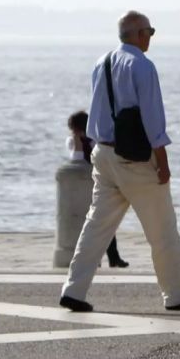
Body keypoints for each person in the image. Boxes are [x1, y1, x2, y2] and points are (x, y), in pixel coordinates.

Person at [59, 11, 180, 312]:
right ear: (139, 34)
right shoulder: (142, 66)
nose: (150, 37)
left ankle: (73, 290)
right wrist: (163, 162)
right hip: (135, 160)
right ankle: (177, 295)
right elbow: (153, 120)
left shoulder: (100, 63)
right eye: (150, 32)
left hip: (103, 153)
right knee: (163, 230)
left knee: (96, 226)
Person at [66, 111, 128, 268]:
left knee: (105, 222)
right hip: (83, 187)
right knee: (91, 225)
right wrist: (78, 142)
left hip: (99, 183)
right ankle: (96, 259)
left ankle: (113, 258)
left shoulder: (96, 141)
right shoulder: (72, 142)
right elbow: (77, 160)